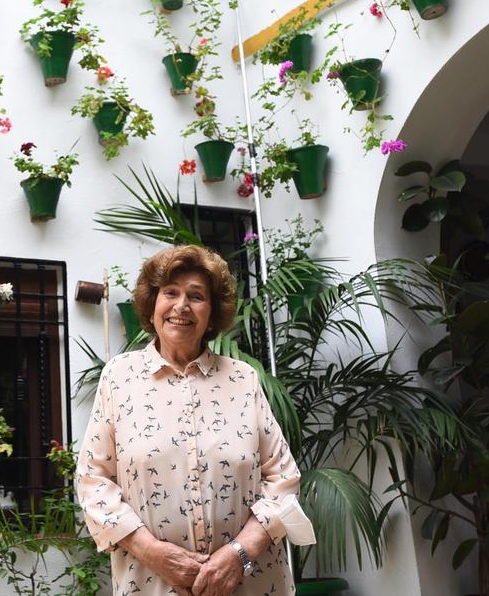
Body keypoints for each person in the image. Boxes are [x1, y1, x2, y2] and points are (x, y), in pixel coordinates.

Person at [76, 245, 315, 596]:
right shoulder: (119, 378)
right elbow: (93, 480)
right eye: (170, 292)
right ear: (152, 303)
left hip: (251, 582)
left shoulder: (242, 378)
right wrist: (152, 552)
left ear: (212, 312)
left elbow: (282, 478)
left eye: (197, 296)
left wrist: (238, 555)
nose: (181, 306)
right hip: (152, 583)